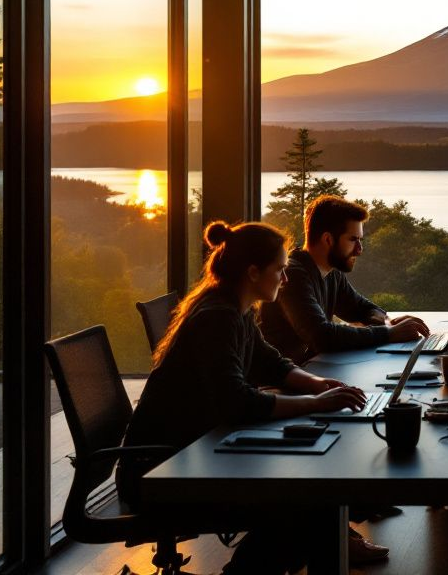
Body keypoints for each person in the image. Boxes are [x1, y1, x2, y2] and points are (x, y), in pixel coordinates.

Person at [118, 221, 388, 574]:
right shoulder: (218, 317)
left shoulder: (234, 307)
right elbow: (239, 403)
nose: (285, 279)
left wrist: (320, 384)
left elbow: (271, 364)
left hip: (191, 454)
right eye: (280, 270)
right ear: (253, 272)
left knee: (314, 502)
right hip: (161, 472)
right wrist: (317, 403)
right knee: (309, 504)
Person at [258, 195, 430, 362]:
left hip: (310, 372)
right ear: (328, 239)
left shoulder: (331, 272)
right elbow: (321, 336)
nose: (359, 250)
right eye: (353, 240)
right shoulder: (292, 275)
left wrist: (388, 322)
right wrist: (389, 333)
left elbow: (360, 308)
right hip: (282, 383)